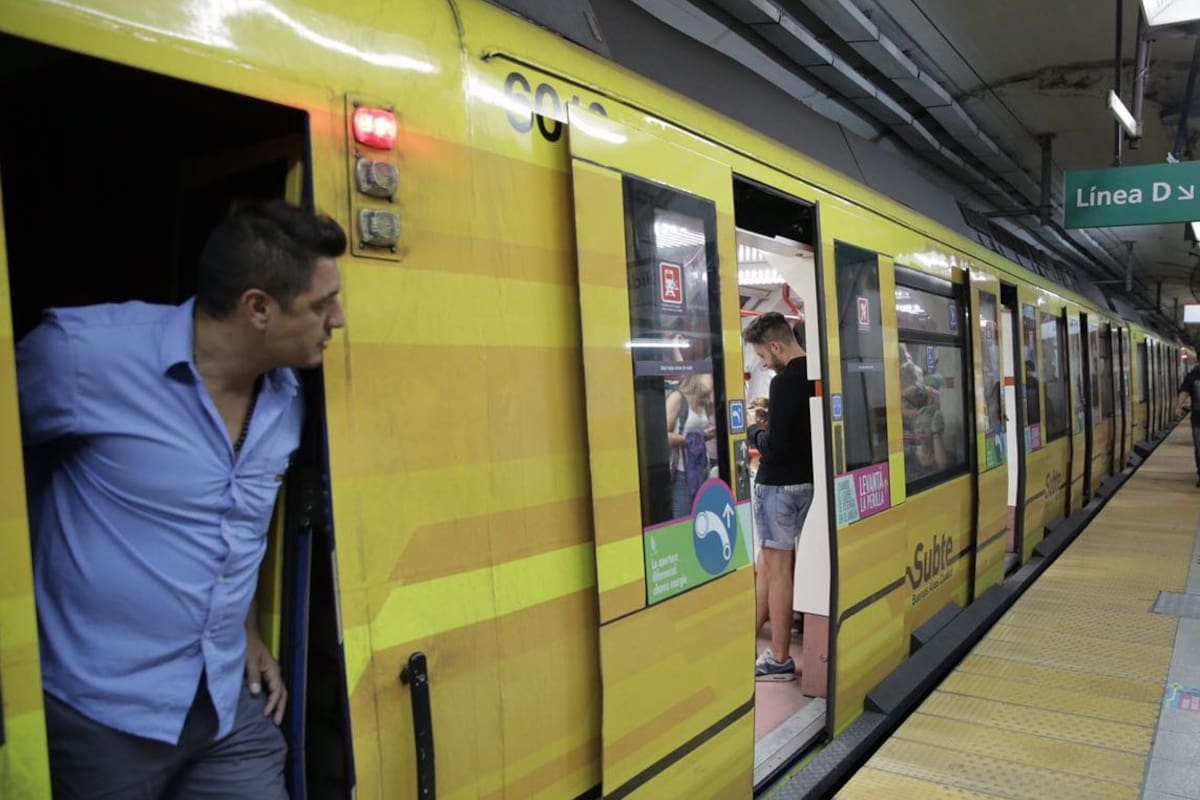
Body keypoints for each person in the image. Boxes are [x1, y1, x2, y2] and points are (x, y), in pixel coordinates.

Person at [17, 199, 347, 799]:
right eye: (323, 305)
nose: (339, 320)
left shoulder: (286, 397)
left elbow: (236, 528)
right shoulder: (80, 358)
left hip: (224, 703)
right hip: (100, 716)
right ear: (258, 308)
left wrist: (245, 629)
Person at [744, 312, 813, 681]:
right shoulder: (817, 374)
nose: (762, 362)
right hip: (806, 484)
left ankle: (780, 657)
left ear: (775, 345)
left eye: (762, 355)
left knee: (778, 570)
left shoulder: (784, 383)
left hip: (778, 487)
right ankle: (748, 641)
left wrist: (754, 431)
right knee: (768, 563)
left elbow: (775, 447)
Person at [665, 373, 717, 517]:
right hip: (682, 472)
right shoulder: (677, 398)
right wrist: (696, 438)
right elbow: (662, 436)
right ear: (698, 376)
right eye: (711, 375)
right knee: (683, 520)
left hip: (702, 468)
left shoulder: (704, 402)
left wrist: (705, 435)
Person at [1178, 362, 1200, 487]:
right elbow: (1184, 391)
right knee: (1199, 445)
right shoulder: (1193, 375)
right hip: (1198, 418)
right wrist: (1179, 406)